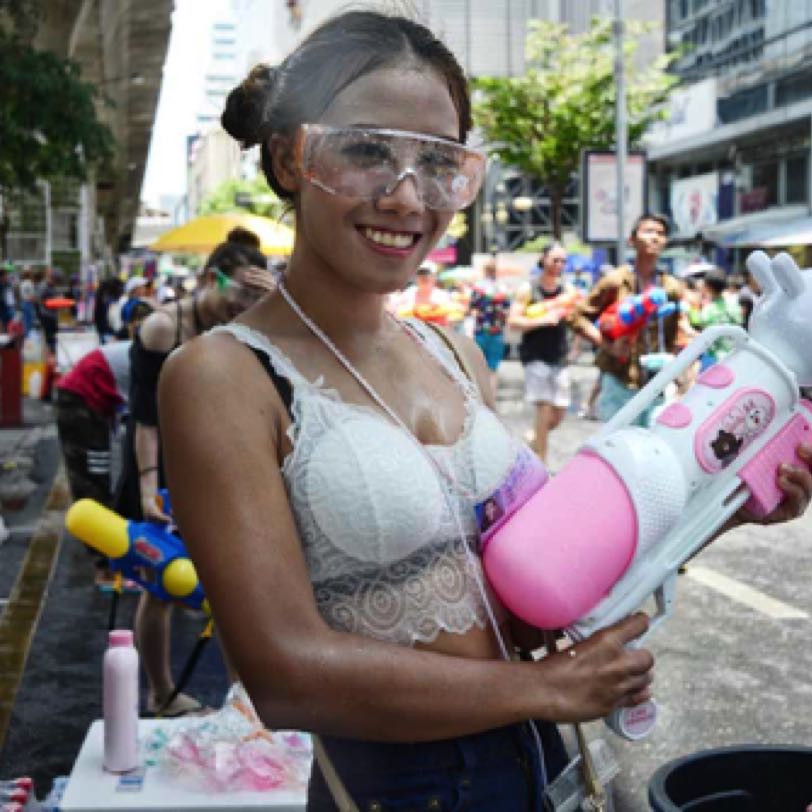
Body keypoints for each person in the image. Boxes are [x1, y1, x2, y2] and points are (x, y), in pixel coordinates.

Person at [157, 12, 812, 810]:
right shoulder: (222, 378)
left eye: (440, 163)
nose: (406, 197)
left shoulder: (454, 351)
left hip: (543, 769)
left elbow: (557, 587)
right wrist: (542, 691)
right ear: (296, 157)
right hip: (397, 790)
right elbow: (285, 675)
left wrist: (729, 500)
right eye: (367, 151)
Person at [115, 230, 274, 717]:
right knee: (160, 585)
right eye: (238, 294)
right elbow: (146, 419)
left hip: (215, 462)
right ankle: (160, 692)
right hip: (158, 461)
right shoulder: (164, 326)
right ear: (209, 278)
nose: (241, 307)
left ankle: (242, 699)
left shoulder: (250, 327)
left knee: (231, 584)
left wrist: (278, 305)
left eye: (254, 298)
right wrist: (147, 487)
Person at [55, 301, 153, 588]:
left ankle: (114, 558)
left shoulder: (155, 353)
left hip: (95, 405)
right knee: (91, 481)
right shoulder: (153, 358)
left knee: (107, 479)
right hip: (80, 402)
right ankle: (105, 567)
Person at [571, 214, 688, 427]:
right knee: (619, 448)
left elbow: (676, 333)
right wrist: (606, 345)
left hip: (658, 383)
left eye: (661, 234)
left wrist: (680, 376)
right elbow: (576, 317)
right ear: (632, 240)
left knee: (656, 448)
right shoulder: (615, 280)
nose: (655, 238)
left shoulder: (670, 286)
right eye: (648, 231)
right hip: (620, 379)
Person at [508, 243, 577, 463]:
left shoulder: (568, 290)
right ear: (543, 259)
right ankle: (542, 462)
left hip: (560, 355)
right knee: (544, 407)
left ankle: (534, 437)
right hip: (535, 354)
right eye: (555, 260)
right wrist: (542, 320)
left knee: (558, 413)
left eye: (563, 261)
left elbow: (576, 319)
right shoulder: (528, 289)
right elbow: (513, 321)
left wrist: (577, 346)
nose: (559, 265)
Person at [468, 258, 511, 398]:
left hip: (481, 331)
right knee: (493, 369)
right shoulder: (503, 288)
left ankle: (480, 398)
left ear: (485, 271)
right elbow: (507, 311)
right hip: (497, 332)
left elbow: (471, 309)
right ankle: (491, 400)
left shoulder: (478, 288)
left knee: (479, 367)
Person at [688, 266, 742, 370]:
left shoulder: (708, 311)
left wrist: (693, 306)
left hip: (712, 358)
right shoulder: (734, 306)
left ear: (708, 287)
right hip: (733, 356)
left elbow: (697, 323)